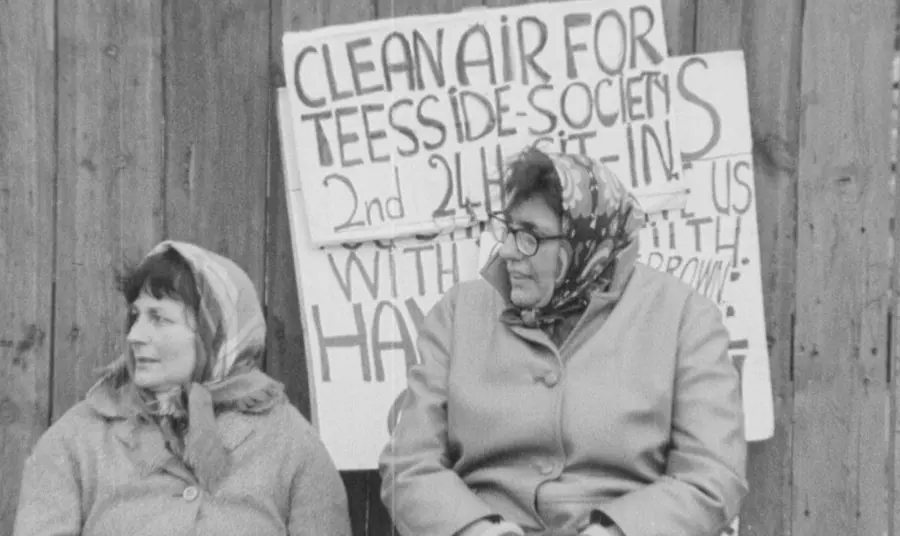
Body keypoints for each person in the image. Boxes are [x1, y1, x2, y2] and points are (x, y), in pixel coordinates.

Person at [379, 148, 747, 536]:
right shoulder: (458, 314)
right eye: (508, 230)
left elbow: (714, 473)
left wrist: (619, 532)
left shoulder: (684, 317)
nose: (507, 252)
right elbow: (408, 464)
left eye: (530, 238)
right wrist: (476, 529)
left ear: (584, 241)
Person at [14, 240, 352, 536]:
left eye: (159, 318)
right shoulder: (78, 440)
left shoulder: (291, 443)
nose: (135, 335)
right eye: (136, 316)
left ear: (213, 333)